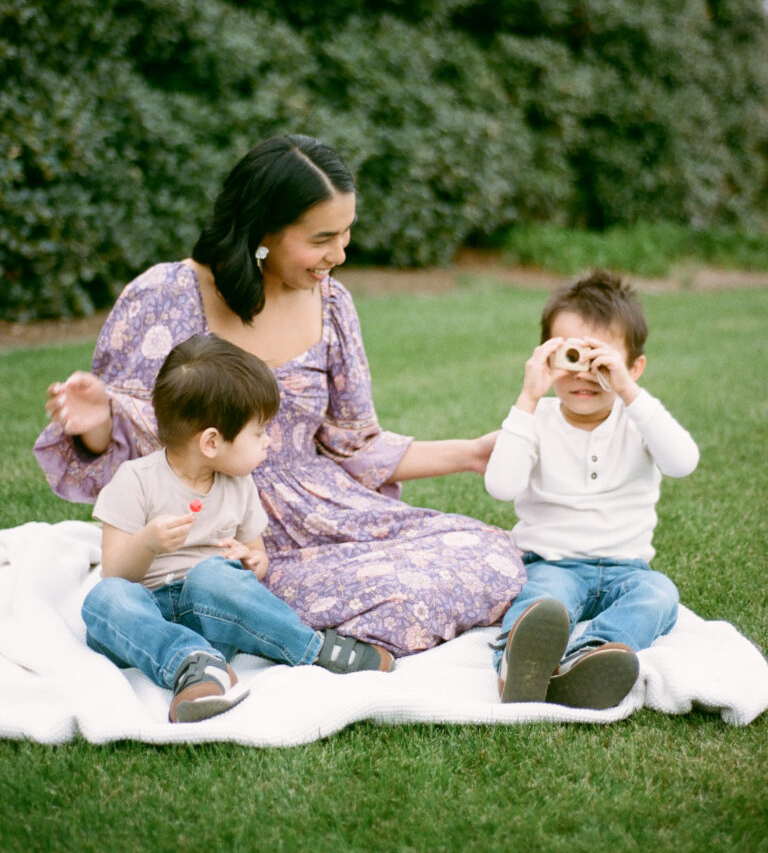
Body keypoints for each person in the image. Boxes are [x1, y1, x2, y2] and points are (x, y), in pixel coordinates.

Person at [36, 134, 525, 659]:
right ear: (262, 230)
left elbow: (355, 446)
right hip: (219, 529)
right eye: (322, 239)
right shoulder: (164, 295)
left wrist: (473, 453)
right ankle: (259, 618)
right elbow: (142, 431)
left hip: (325, 512)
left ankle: (280, 623)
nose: (338, 254)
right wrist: (99, 422)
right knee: (251, 582)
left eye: (346, 234)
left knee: (492, 553)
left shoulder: (332, 303)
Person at [82, 334, 394, 724]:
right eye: (259, 432)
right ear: (211, 441)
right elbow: (117, 574)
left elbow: (257, 559)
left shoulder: (239, 486)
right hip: (147, 619)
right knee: (103, 600)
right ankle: (193, 666)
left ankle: (310, 647)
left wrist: (250, 561)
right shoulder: (135, 480)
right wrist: (149, 542)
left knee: (213, 575)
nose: (266, 443)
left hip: (215, 615)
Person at [484, 269, 699, 709]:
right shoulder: (536, 421)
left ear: (633, 367)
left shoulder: (638, 420)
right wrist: (527, 399)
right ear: (545, 358)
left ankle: (589, 658)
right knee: (541, 604)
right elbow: (500, 486)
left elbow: (683, 462)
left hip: (627, 569)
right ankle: (518, 665)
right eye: (572, 355)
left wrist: (628, 391)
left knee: (660, 595)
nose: (584, 374)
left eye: (601, 362)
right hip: (553, 564)